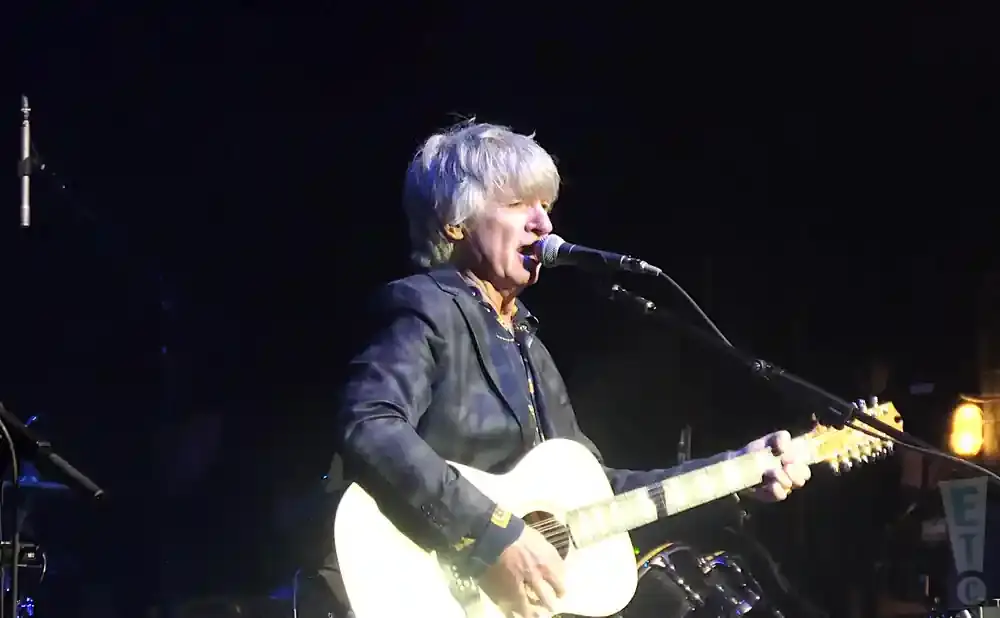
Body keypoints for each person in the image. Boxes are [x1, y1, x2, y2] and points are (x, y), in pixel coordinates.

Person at [314, 120, 812, 618]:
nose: (543, 225)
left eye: (546, 208)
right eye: (517, 204)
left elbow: (598, 496)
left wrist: (736, 473)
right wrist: (491, 535)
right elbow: (370, 425)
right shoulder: (425, 306)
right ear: (453, 223)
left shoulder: (528, 343)